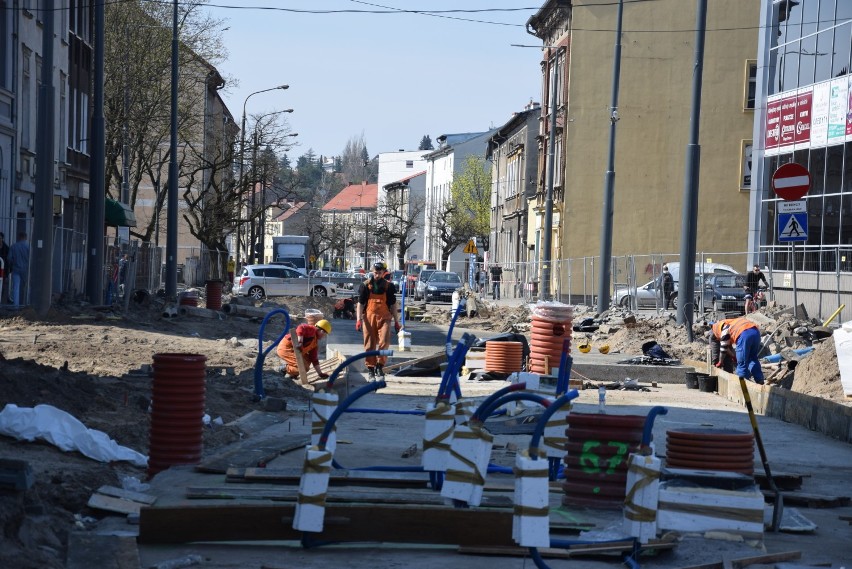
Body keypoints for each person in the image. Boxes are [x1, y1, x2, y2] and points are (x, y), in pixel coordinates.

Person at [356, 261, 402, 380]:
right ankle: (371, 368)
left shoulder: (389, 286)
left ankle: (379, 366)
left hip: (385, 317)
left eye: (380, 273)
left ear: (384, 273)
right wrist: (358, 319)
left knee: (384, 341)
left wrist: (397, 322)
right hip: (369, 317)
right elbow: (361, 304)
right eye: (375, 273)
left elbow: (393, 305)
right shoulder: (366, 285)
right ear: (372, 272)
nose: (377, 275)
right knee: (370, 344)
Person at [709, 318, 764, 384]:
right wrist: (733, 355)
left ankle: (743, 387)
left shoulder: (724, 330)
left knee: (741, 363)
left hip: (744, 334)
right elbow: (726, 347)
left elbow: (724, 348)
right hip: (755, 332)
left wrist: (720, 361)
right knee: (752, 358)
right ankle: (760, 381)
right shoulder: (731, 322)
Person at [8, 232, 30, 307]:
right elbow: (32, 258)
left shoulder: (13, 246)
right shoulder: (29, 246)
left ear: (19, 237)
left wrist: (14, 263)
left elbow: (9, 258)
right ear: (26, 237)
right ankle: (26, 304)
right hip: (26, 269)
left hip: (16, 269)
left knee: (16, 287)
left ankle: (16, 306)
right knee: (26, 286)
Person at [0, 232, 9, 304]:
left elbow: (8, 261)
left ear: (2, 239)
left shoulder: (6, 248)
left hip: (3, 271)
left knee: (2, 287)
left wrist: (7, 273)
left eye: (0, 238)